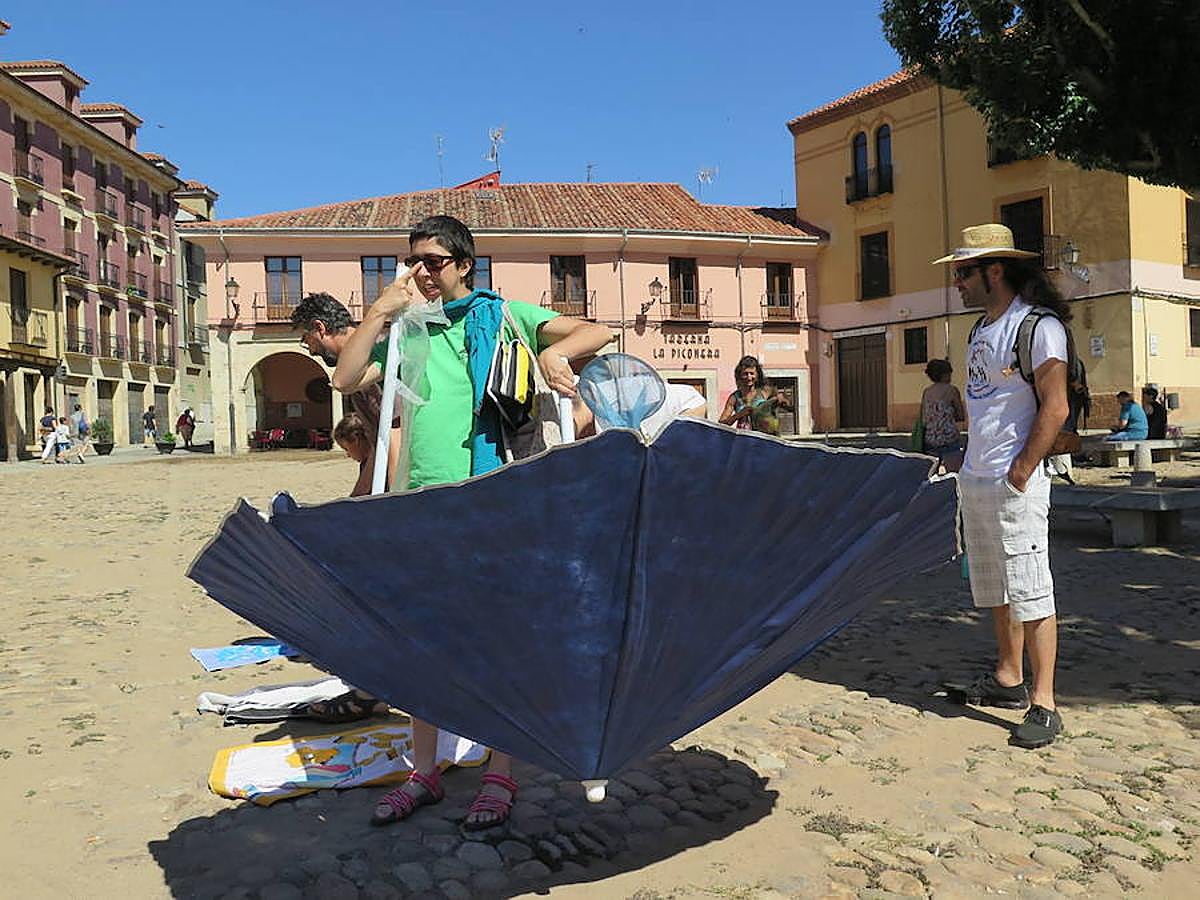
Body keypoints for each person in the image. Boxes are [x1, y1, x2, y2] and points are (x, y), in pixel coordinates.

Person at [332, 214, 612, 830]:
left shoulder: (506, 316)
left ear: (463, 263)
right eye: (412, 262)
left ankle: (498, 774)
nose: (420, 273)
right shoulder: (405, 329)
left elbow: (599, 330)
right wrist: (379, 311)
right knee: (421, 644)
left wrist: (555, 355)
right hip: (422, 503)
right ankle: (424, 772)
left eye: (432, 261)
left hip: (494, 498)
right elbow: (345, 377)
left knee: (496, 642)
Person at [933, 223, 1070, 749]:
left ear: (995, 271)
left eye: (963, 273)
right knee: (994, 585)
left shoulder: (1038, 328)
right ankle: (1009, 677)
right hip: (977, 478)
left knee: (1032, 586)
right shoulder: (978, 331)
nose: (957, 283)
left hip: (1016, 481)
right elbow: (988, 407)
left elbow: (1054, 405)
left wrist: (1022, 469)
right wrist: (964, 460)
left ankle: (1045, 703)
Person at [292, 292, 403, 497]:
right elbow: (379, 448)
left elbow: (396, 432)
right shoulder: (356, 368)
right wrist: (355, 499)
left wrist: (398, 500)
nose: (310, 350)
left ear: (320, 328)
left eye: (306, 339)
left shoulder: (373, 357)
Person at [718, 356, 791, 435]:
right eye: (745, 374)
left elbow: (787, 405)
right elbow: (721, 424)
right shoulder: (735, 398)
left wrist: (783, 400)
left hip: (766, 439)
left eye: (752, 374)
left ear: (757, 375)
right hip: (745, 441)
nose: (749, 377)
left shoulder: (766, 391)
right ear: (739, 375)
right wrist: (739, 415)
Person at [919, 358, 965, 472]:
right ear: (945, 374)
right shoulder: (952, 390)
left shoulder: (926, 392)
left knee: (930, 472)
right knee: (954, 472)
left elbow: (923, 418)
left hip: (930, 439)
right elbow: (960, 416)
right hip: (949, 438)